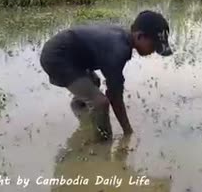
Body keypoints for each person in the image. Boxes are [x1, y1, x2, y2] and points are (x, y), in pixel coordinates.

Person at [40, 10, 173, 141]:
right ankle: (101, 146)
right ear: (139, 36)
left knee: (94, 82)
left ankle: (82, 114)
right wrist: (128, 132)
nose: (153, 51)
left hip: (73, 58)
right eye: (154, 46)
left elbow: (114, 89)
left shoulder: (121, 38)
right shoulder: (119, 49)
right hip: (57, 57)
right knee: (100, 103)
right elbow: (115, 97)